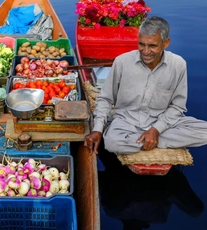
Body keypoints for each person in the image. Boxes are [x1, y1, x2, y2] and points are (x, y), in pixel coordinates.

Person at [84, 16, 207, 155]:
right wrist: (98, 129)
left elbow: (177, 107)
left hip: (162, 123)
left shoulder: (178, 65)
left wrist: (155, 130)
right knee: (113, 143)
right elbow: (105, 99)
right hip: (126, 123)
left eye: (152, 46)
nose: (146, 51)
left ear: (166, 43)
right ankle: (155, 141)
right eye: (142, 44)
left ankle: (149, 140)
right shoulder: (122, 62)